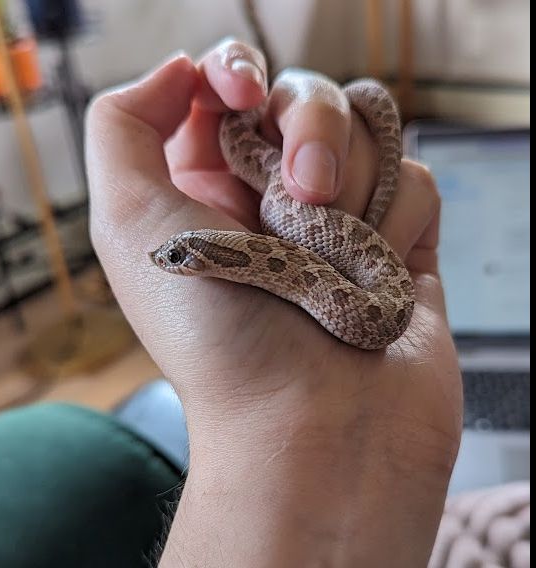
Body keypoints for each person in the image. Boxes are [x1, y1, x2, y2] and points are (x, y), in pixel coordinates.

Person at [85, 38, 463, 567]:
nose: (168, 262)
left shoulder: (288, 265)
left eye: (176, 256)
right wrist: (262, 415)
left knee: (333, 146)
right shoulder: (255, 263)